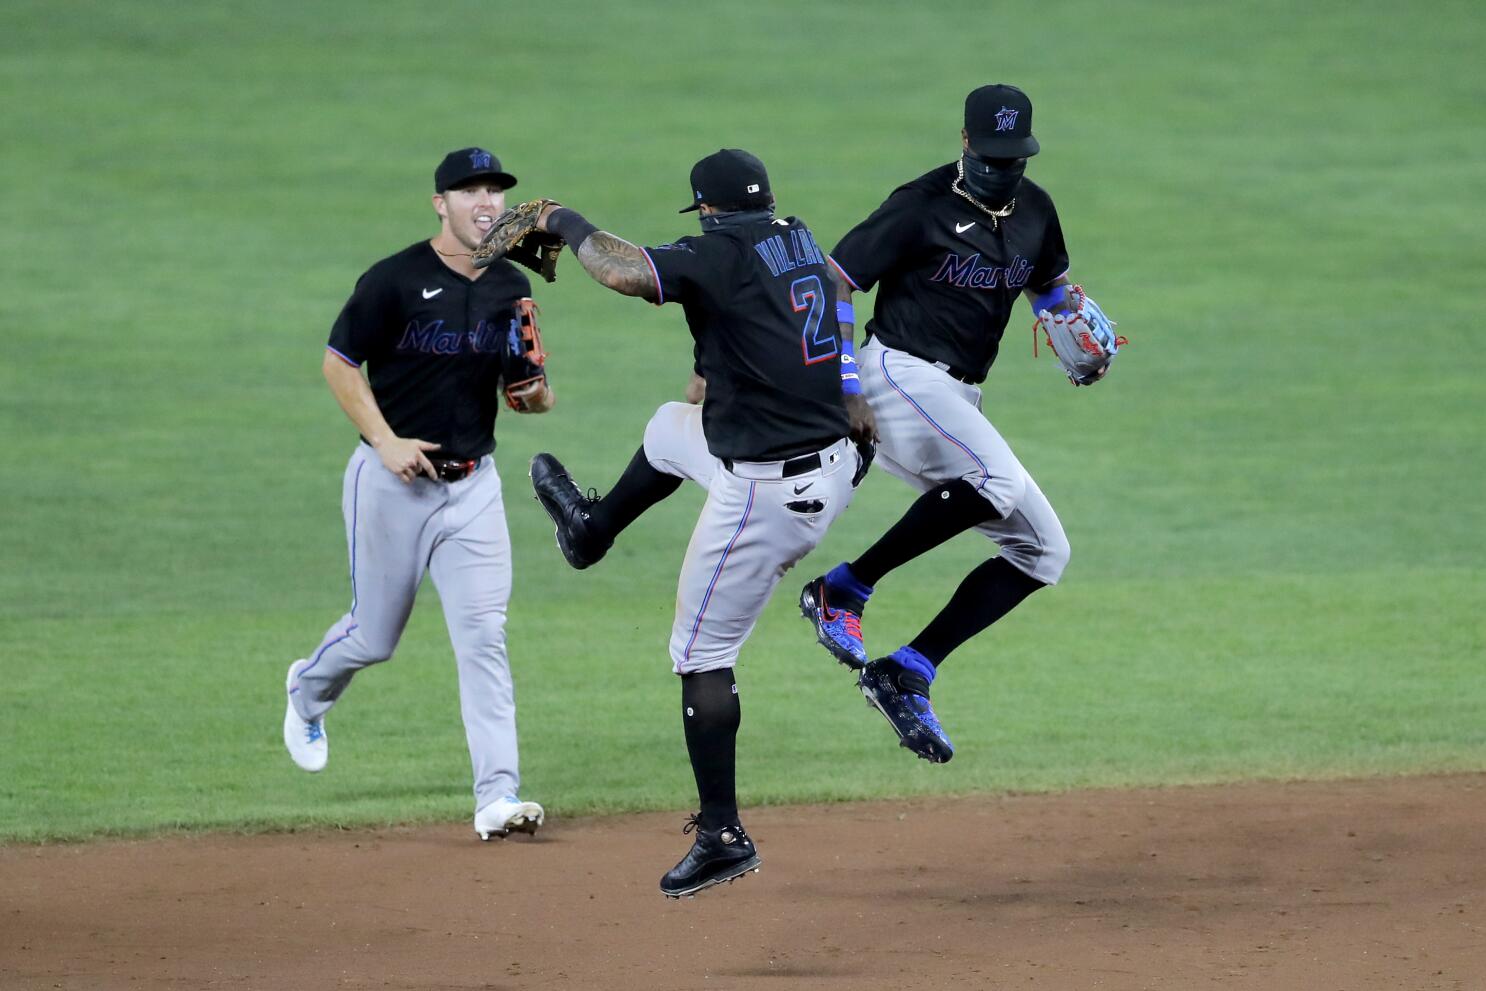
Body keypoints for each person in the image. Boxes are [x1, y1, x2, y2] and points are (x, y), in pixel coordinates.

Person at [518, 149, 872, 897]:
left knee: (699, 652)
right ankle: (591, 529)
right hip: (834, 463)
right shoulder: (797, 237)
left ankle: (722, 833)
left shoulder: (716, 253)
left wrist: (559, 219)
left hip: (768, 496)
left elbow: (623, 269)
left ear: (706, 211)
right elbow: (743, 338)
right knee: (673, 425)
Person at [799, 84, 1118, 763]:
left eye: (1015, 157)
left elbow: (1050, 286)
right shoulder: (919, 206)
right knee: (995, 478)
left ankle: (908, 668)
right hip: (897, 375)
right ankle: (842, 589)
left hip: (957, 399)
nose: (1002, 169)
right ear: (966, 143)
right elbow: (835, 279)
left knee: (1043, 552)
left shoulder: (1035, 210)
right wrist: (847, 384)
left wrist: (1073, 325)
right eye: (991, 155)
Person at [282, 147, 553, 841]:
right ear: (441, 202)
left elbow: (525, 396)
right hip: (391, 485)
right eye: (470, 191)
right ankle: (306, 689)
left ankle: (497, 796)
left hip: (474, 491)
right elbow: (339, 362)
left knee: (484, 637)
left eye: (495, 191)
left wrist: (533, 389)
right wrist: (384, 440)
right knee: (374, 637)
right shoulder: (395, 280)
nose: (486, 202)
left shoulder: (510, 287)